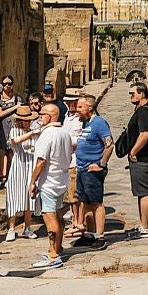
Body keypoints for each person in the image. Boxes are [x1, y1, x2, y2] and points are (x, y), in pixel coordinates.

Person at [28, 102, 73, 269]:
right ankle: (58, 248)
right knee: (58, 216)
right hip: (61, 179)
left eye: (42, 114)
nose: (40, 117)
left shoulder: (47, 134)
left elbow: (41, 161)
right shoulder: (65, 132)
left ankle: (53, 255)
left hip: (48, 182)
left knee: (49, 217)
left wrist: (33, 181)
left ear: (50, 116)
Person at [72, 94, 113, 250]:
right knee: (85, 202)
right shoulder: (85, 122)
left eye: (80, 107)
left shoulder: (99, 123)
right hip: (82, 168)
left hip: (92, 170)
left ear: (89, 108)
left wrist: (101, 164)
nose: (77, 110)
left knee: (96, 203)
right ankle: (89, 235)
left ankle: (100, 236)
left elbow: (109, 144)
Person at [123, 82, 148, 239]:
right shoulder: (142, 110)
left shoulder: (143, 111)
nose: (131, 96)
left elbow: (144, 135)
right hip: (142, 157)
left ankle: (145, 228)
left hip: (141, 158)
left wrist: (133, 152)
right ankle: (143, 224)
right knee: (140, 192)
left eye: (133, 93)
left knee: (143, 192)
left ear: (142, 94)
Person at [3, 104, 40, 241]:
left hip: (31, 164)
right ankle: (11, 228)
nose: (28, 122)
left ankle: (27, 227)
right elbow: (15, 141)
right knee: (14, 195)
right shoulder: (14, 130)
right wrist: (31, 133)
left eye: (29, 120)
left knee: (29, 197)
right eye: (25, 120)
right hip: (18, 164)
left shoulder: (34, 131)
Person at [0, 75, 20, 190]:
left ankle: (9, 177)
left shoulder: (17, 98)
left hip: (13, 128)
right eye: (5, 84)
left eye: (9, 83)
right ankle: (0, 178)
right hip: (2, 129)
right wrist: (15, 107)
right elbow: (1, 113)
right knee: (1, 153)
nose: (7, 86)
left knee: (10, 153)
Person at [62, 102, 85, 239]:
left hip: (76, 160)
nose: (71, 105)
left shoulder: (79, 119)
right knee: (71, 195)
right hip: (68, 160)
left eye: (74, 103)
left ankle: (78, 222)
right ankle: (74, 221)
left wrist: (67, 141)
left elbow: (82, 138)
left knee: (75, 194)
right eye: (69, 102)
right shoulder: (66, 117)